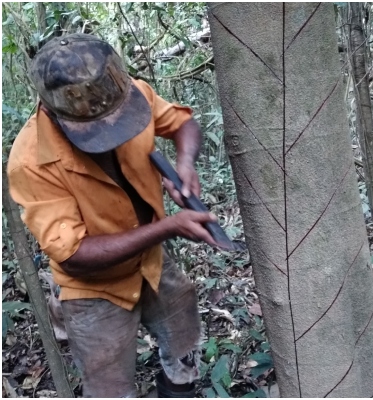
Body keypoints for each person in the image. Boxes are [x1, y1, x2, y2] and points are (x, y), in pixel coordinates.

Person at [7, 33, 218, 397]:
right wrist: (168, 227)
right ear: (53, 111)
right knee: (108, 385)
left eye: (117, 120)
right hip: (94, 291)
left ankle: (178, 389)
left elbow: (182, 124)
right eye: (95, 127)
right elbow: (74, 256)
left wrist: (184, 165)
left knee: (183, 336)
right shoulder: (30, 161)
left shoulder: (128, 93)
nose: (111, 130)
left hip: (152, 263)